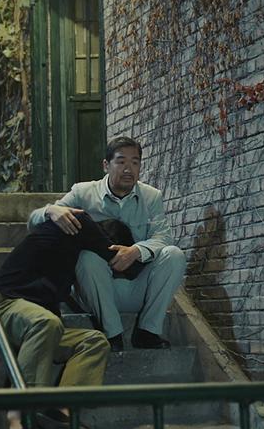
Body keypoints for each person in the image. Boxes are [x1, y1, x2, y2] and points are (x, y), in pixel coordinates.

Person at [28, 136, 185, 352]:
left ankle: (147, 332)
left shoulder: (151, 196)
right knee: (87, 257)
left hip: (136, 287)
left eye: (135, 162)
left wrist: (135, 251)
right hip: (94, 290)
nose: (128, 169)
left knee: (174, 255)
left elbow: (163, 237)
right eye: (121, 162)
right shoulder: (83, 193)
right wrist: (51, 210)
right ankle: (113, 335)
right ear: (106, 165)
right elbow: (34, 222)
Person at [0, 213, 124, 429]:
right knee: (47, 322)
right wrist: (132, 252)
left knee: (95, 340)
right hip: (3, 309)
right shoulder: (68, 228)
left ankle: (61, 412)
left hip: (39, 326)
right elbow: (118, 257)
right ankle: (18, 417)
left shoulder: (68, 262)